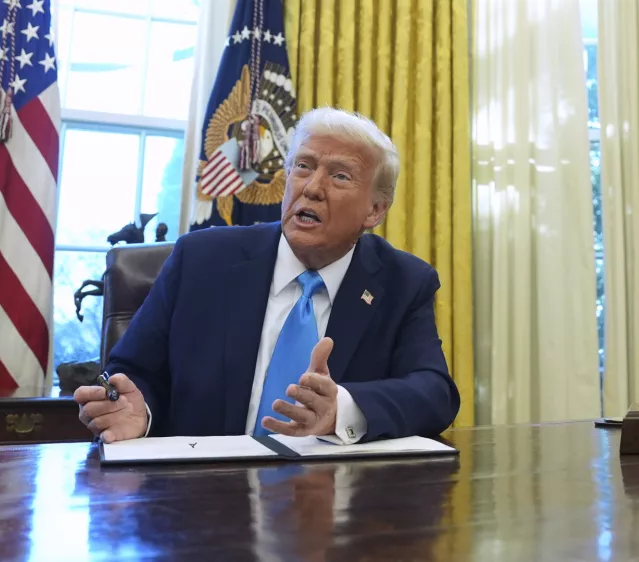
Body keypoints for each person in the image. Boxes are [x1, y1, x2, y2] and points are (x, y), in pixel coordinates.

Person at [75, 107, 460, 444]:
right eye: (303, 166)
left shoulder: (403, 282)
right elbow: (133, 372)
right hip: (201, 498)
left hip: (331, 503)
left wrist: (342, 409)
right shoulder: (201, 260)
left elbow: (433, 392)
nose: (312, 188)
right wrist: (139, 414)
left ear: (375, 211)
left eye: (340, 176)